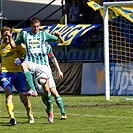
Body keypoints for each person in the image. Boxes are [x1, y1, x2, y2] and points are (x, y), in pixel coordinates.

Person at [9, 17, 64, 123]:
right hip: (31, 62)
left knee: (47, 90)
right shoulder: (25, 35)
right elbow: (14, 45)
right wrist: (11, 37)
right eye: (34, 26)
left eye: (38, 26)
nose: (36, 28)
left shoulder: (44, 34)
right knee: (24, 65)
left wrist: (59, 36)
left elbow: (60, 41)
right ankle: (33, 90)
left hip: (43, 66)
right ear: (31, 26)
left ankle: (50, 110)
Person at [0, 26, 34, 126]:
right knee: (8, 94)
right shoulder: (1, 48)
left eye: (8, 34)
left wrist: (21, 60)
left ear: (11, 35)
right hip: (5, 73)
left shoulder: (18, 46)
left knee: (23, 98)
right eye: (4, 35)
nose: (6, 37)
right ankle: (12, 117)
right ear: (2, 36)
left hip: (18, 73)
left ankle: (30, 114)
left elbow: (28, 57)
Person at [38, 42, 67, 120]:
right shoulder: (32, 44)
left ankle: (63, 113)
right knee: (43, 94)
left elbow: (53, 58)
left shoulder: (47, 46)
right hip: (37, 72)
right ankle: (50, 107)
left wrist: (59, 70)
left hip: (47, 71)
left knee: (54, 91)